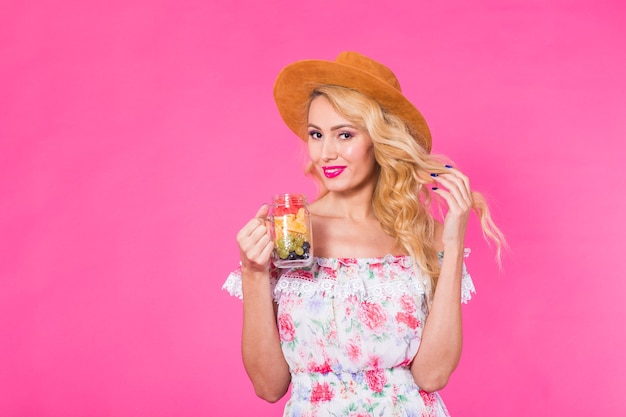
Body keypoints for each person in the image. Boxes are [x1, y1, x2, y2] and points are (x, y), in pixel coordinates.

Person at [222, 51, 505, 417]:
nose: (326, 153)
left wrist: (452, 246)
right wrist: (254, 272)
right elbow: (268, 386)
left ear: (380, 140)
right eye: (316, 134)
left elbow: (432, 376)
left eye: (345, 134)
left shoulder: (421, 235)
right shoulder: (288, 234)